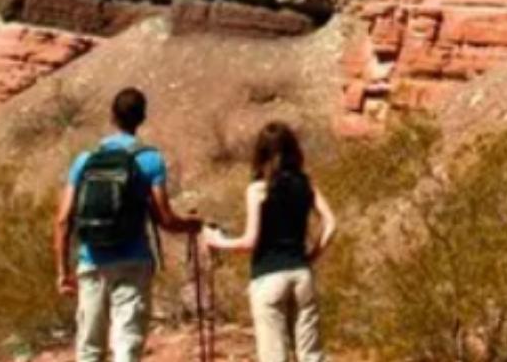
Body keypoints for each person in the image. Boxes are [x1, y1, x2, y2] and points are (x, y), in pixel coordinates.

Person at [55, 87, 202, 362]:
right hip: (134, 260)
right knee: (127, 344)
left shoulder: (85, 160)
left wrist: (62, 271)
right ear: (142, 118)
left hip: (92, 260)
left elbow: (63, 219)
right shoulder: (150, 160)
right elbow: (165, 219)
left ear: (112, 116)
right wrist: (192, 225)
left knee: (89, 347)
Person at [203, 122, 338, 362]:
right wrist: (312, 255)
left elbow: (249, 241)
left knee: (274, 356)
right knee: (311, 355)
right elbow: (330, 223)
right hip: (301, 274)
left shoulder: (258, 190)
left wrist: (217, 240)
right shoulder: (306, 184)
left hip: (268, 278)